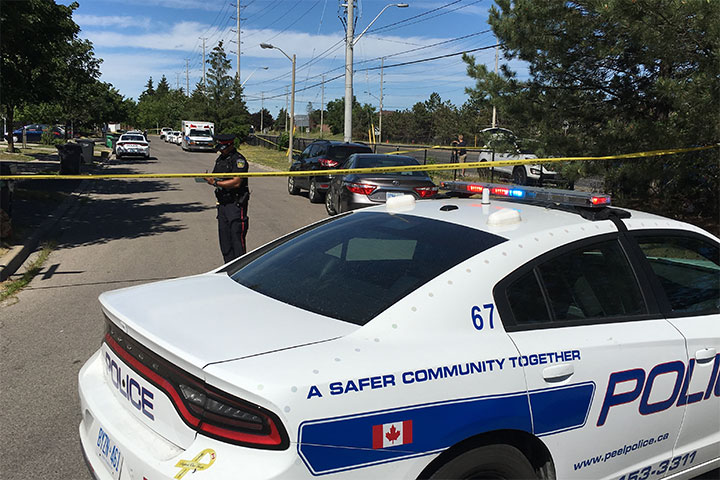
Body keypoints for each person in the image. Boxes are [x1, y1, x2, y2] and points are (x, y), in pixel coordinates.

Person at [204, 133, 250, 263]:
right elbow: (215, 176)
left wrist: (215, 183)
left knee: (237, 241)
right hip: (222, 204)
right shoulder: (220, 159)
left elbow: (236, 182)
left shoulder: (238, 160)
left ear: (229, 145)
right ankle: (227, 268)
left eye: (222, 147)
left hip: (235, 205)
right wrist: (209, 179)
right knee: (225, 242)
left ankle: (240, 269)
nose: (220, 150)